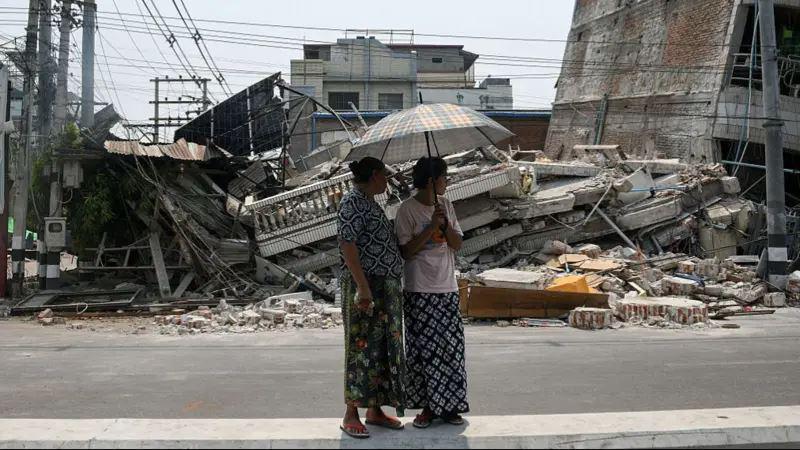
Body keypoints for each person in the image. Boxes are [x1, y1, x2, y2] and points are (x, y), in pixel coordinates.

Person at [395, 156, 470, 428]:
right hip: (419, 290)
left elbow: (457, 243)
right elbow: (406, 251)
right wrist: (429, 228)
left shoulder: (447, 206)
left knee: (451, 349)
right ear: (431, 181)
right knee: (424, 351)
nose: (446, 182)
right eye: (444, 177)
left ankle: (450, 406)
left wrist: (444, 224)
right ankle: (428, 407)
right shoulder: (407, 210)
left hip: (447, 287)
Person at [337, 157, 406, 439]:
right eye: (385, 177)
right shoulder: (351, 202)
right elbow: (347, 244)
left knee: (380, 349)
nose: (387, 182)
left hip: (384, 287)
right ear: (375, 175)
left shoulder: (368, 201)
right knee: (360, 348)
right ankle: (351, 413)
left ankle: (374, 409)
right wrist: (363, 288)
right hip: (367, 287)